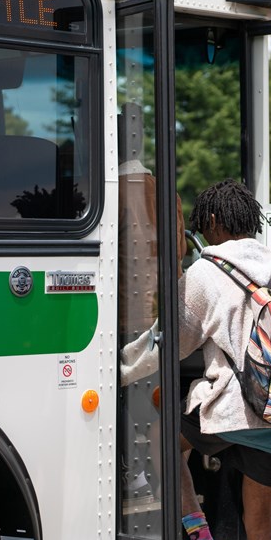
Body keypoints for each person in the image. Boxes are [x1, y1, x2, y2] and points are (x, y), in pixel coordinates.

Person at [121, 178, 271, 540]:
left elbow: (167, 342)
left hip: (230, 410)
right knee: (260, 524)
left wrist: (119, 369)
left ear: (210, 222)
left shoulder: (205, 273)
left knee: (160, 440)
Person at [117, 101, 186, 507]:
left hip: (123, 316)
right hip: (161, 317)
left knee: (125, 398)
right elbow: (177, 252)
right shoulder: (166, 192)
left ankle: (132, 473)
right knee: (154, 402)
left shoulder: (103, 194)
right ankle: (155, 477)